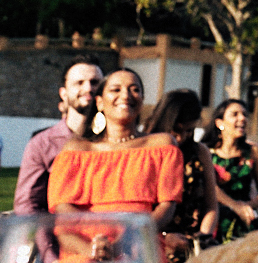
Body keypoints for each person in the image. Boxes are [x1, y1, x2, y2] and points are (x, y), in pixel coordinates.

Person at [47, 69, 183, 261]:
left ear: (142, 100)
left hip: (138, 246)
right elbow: (63, 214)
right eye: (116, 89)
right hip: (83, 248)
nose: (125, 95)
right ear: (100, 102)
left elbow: (166, 209)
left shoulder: (162, 145)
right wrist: (95, 249)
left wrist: (126, 240)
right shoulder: (75, 150)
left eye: (134, 89)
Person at [14, 56, 103, 214]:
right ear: (63, 93)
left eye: (95, 82)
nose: (88, 88)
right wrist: (48, 240)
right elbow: (27, 205)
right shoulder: (42, 144)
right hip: (60, 235)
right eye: (79, 83)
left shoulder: (119, 139)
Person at [148, 90, 220, 261]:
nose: (180, 138)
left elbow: (211, 206)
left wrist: (202, 238)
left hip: (193, 245)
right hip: (155, 242)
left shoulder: (199, 152)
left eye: (188, 131)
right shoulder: (147, 151)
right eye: (175, 131)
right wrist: (164, 237)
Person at [203, 98, 258, 242]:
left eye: (244, 114)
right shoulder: (207, 152)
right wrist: (234, 206)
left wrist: (246, 206)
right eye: (235, 114)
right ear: (219, 123)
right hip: (215, 222)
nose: (242, 118)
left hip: (245, 223)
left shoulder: (252, 152)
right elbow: (209, 187)